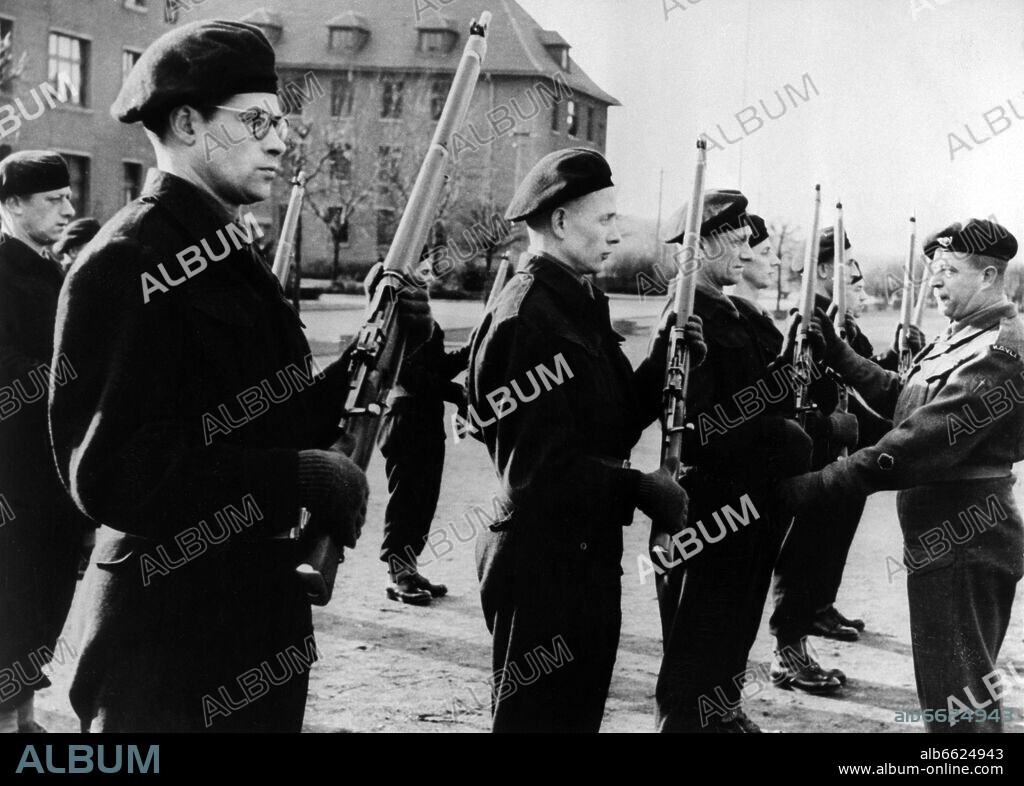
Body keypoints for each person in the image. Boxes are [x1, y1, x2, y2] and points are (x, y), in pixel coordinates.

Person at [49, 20, 429, 732]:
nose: (280, 141)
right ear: (187, 124)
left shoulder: (225, 253)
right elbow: (111, 475)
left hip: (253, 618)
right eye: (257, 122)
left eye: (280, 123)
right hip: (167, 642)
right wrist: (292, 477)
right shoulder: (129, 259)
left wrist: (384, 342)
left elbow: (273, 414)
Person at [468, 147, 704, 733]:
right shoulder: (528, 316)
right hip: (540, 559)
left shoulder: (578, 304)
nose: (616, 235)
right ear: (560, 221)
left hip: (584, 551)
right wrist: (637, 488)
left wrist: (665, 360)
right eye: (605, 220)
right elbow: (534, 473)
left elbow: (612, 423)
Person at [779, 218, 1023, 733]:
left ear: (987, 276)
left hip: (965, 537)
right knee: (949, 691)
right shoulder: (963, 336)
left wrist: (817, 485)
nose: (935, 282)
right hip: (947, 535)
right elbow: (907, 398)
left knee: (959, 701)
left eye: (948, 270)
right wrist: (841, 355)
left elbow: (919, 442)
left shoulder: (1000, 350)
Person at [654, 190, 813, 732]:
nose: (747, 253)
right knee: (700, 630)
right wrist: (782, 435)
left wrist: (785, 377)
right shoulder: (687, 314)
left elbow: (754, 397)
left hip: (748, 495)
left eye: (749, 242)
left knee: (736, 617)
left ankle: (721, 711)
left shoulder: (727, 309)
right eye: (738, 241)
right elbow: (697, 431)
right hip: (712, 502)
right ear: (700, 247)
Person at [0, 151, 87, 734]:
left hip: (54, 472)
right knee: (13, 602)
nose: (67, 209)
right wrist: (72, 381)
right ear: (12, 204)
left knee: (48, 596)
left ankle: (23, 716)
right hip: (13, 475)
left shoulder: (53, 269)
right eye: (52, 200)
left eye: (68, 197)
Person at [378, 315, 469, 605]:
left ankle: (408, 567)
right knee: (406, 499)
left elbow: (438, 368)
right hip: (405, 419)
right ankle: (398, 576)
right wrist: (455, 392)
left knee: (424, 500)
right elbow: (406, 374)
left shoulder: (428, 323)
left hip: (428, 419)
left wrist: (470, 350)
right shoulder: (395, 321)